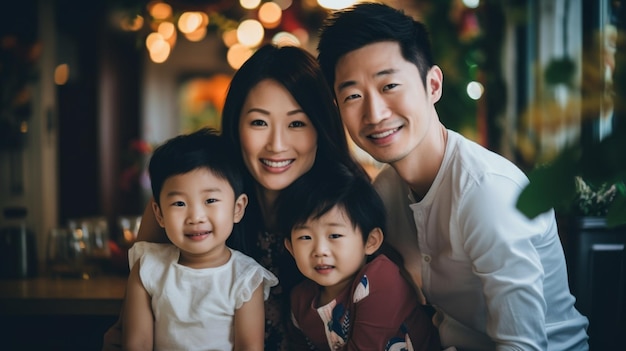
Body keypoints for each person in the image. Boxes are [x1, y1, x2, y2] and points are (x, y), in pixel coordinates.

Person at [317, 2, 589, 350]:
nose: (375, 112)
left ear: (432, 85)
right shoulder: (386, 190)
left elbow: (523, 345)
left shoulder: (486, 192)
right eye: (353, 95)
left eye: (389, 86)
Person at [103, 44, 368, 351]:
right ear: (235, 124)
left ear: (321, 129)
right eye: (259, 122)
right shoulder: (188, 203)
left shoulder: (349, 203)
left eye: (297, 123)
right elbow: (128, 327)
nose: (277, 144)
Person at [121, 128, 278, 350]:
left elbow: (249, 347)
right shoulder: (148, 267)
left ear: (237, 208)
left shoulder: (245, 278)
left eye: (211, 200)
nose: (195, 217)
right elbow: (136, 344)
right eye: (179, 204)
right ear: (159, 214)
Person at [275, 166, 441, 351]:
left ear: (371, 241)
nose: (320, 250)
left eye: (335, 235)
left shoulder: (380, 280)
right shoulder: (300, 300)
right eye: (305, 237)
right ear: (290, 247)